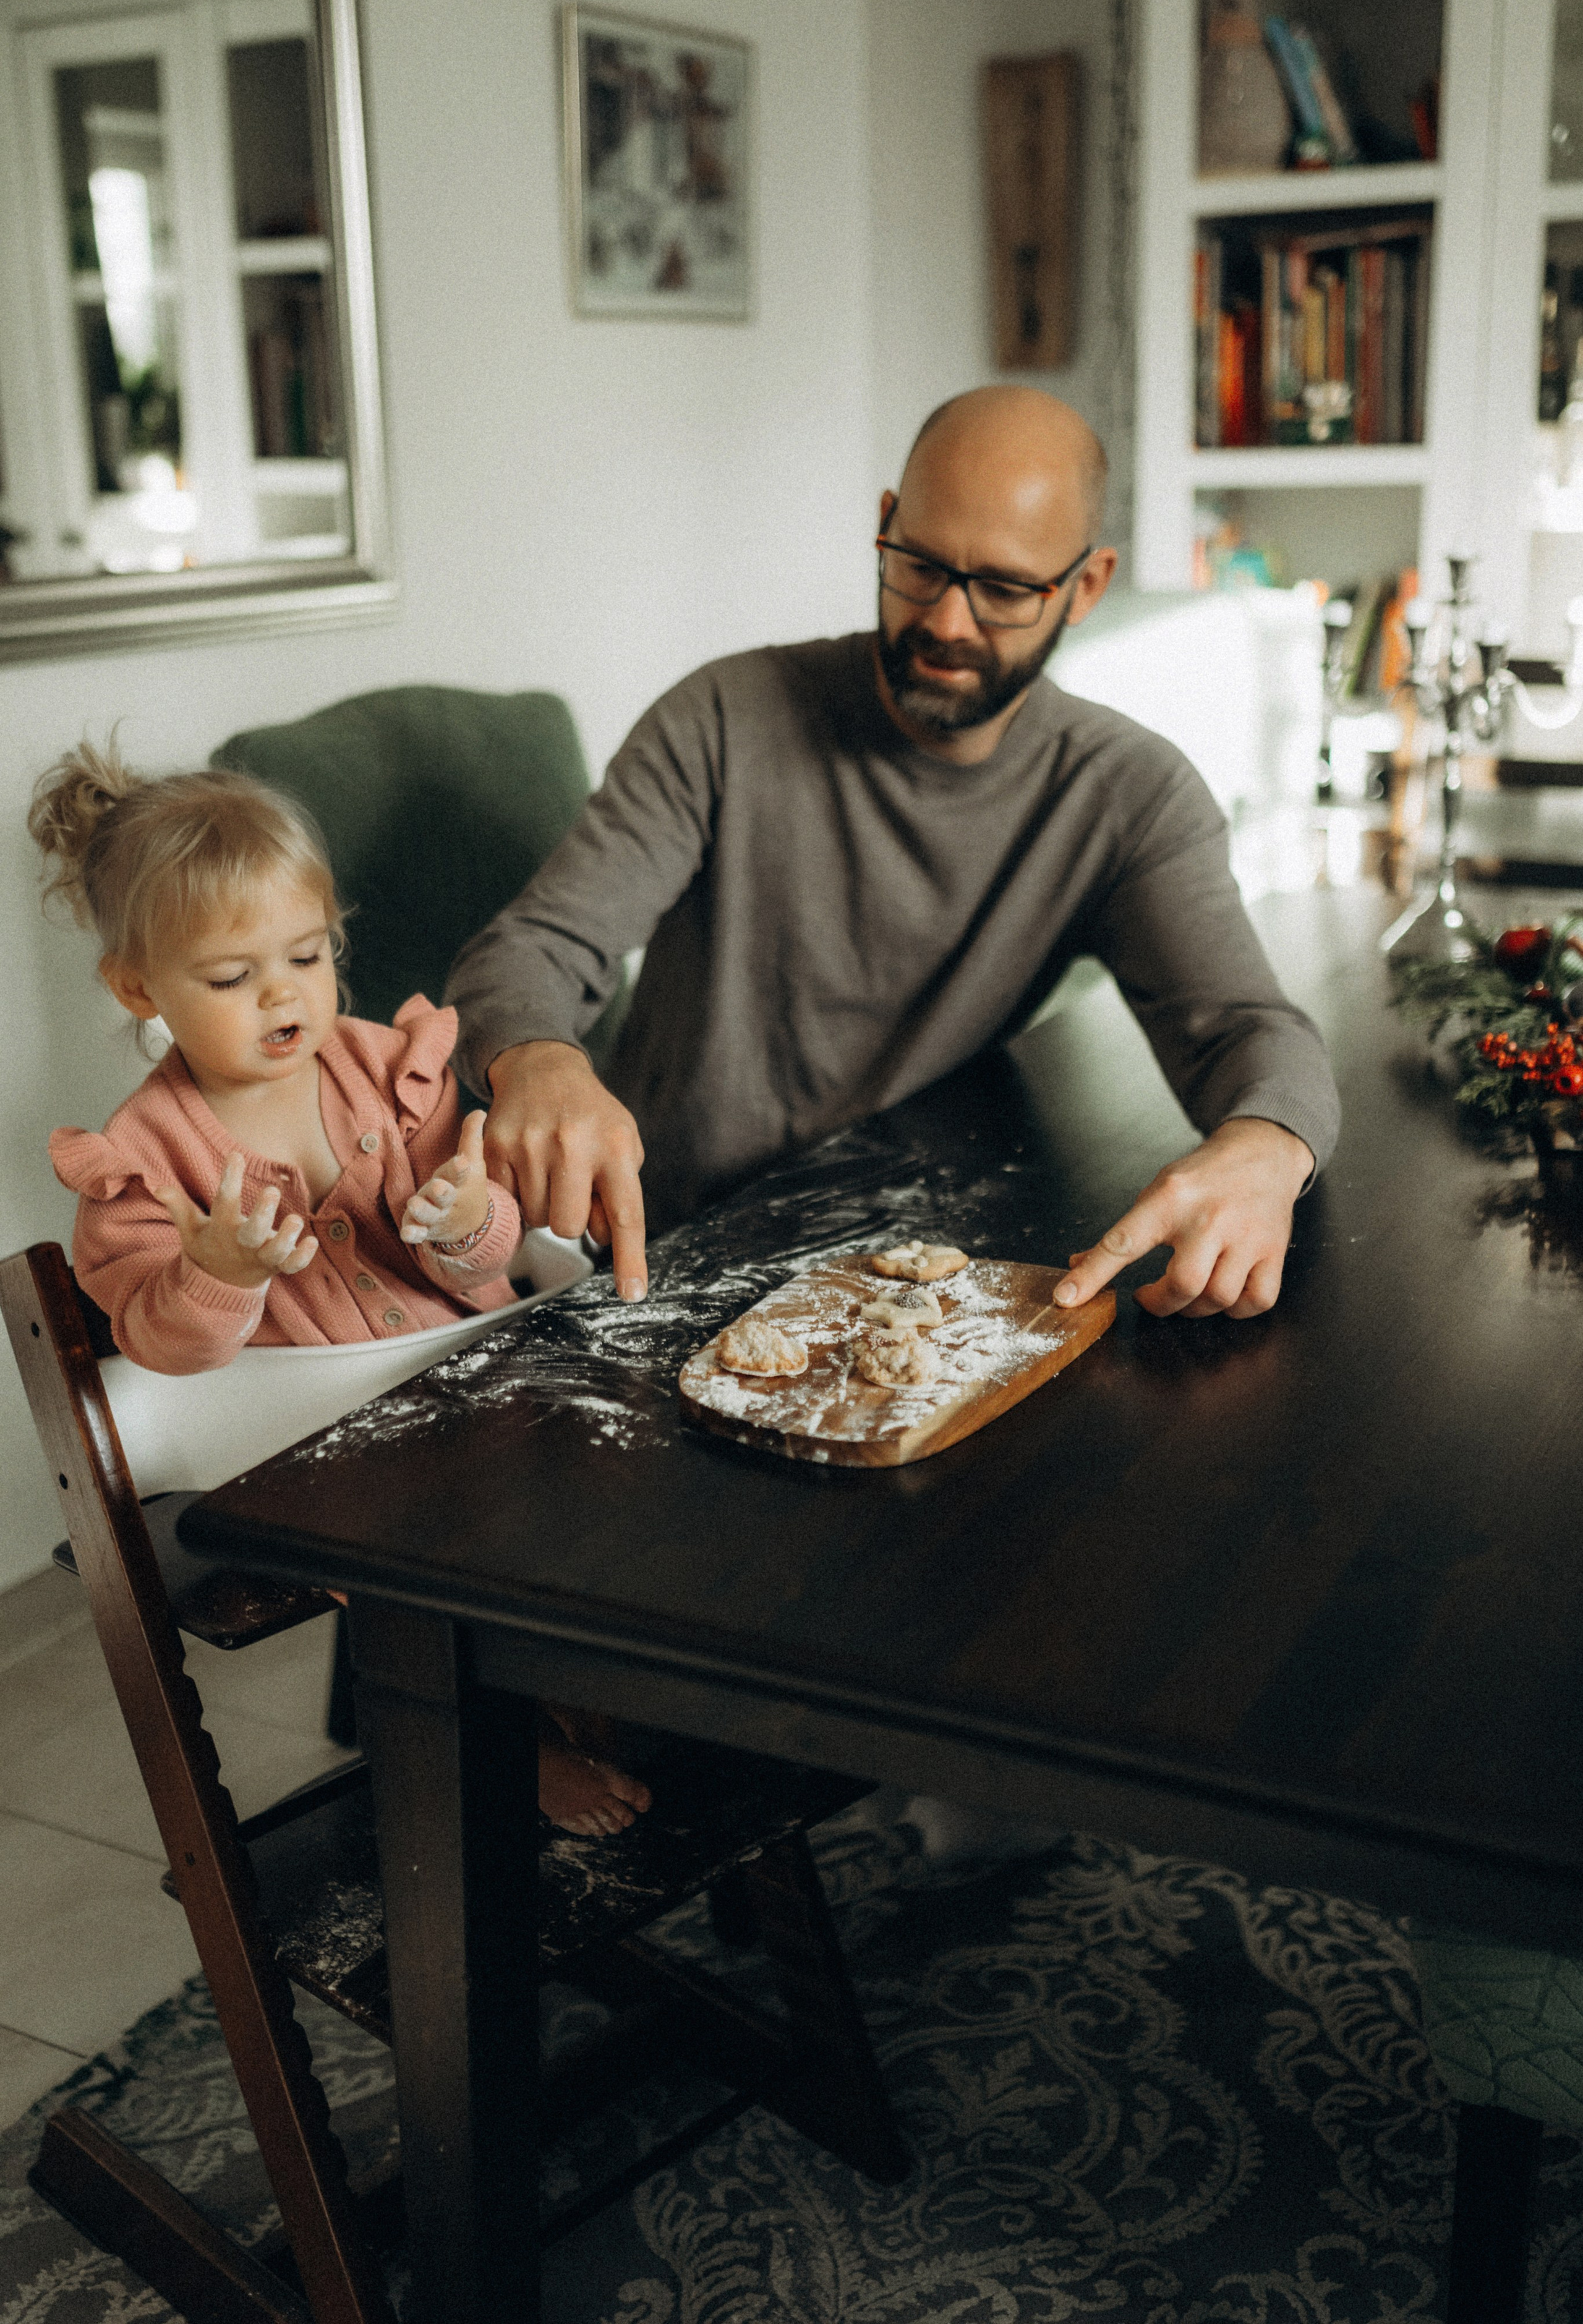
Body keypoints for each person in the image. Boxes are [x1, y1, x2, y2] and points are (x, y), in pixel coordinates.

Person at [449, 385, 1339, 1317]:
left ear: (1086, 586)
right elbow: (528, 952)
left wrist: (1267, 1148)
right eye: (919, 565)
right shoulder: (721, 720)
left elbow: (1248, 1030)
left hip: (925, 1267)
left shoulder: (1131, 795)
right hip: (671, 1255)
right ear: (885, 525)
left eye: (1003, 589)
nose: (949, 623)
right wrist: (541, 1057)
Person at [33, 744, 650, 1837]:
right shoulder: (144, 1160)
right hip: (309, 1453)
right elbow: (157, 1347)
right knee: (412, 1556)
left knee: (598, 1477)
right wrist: (214, 1277)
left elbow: (504, 1255)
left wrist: (470, 1226)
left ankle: (583, 1685)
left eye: (309, 957)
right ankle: (505, 1742)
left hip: (466, 1381)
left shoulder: (386, 1070)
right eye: (230, 979)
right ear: (141, 987)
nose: (284, 995)